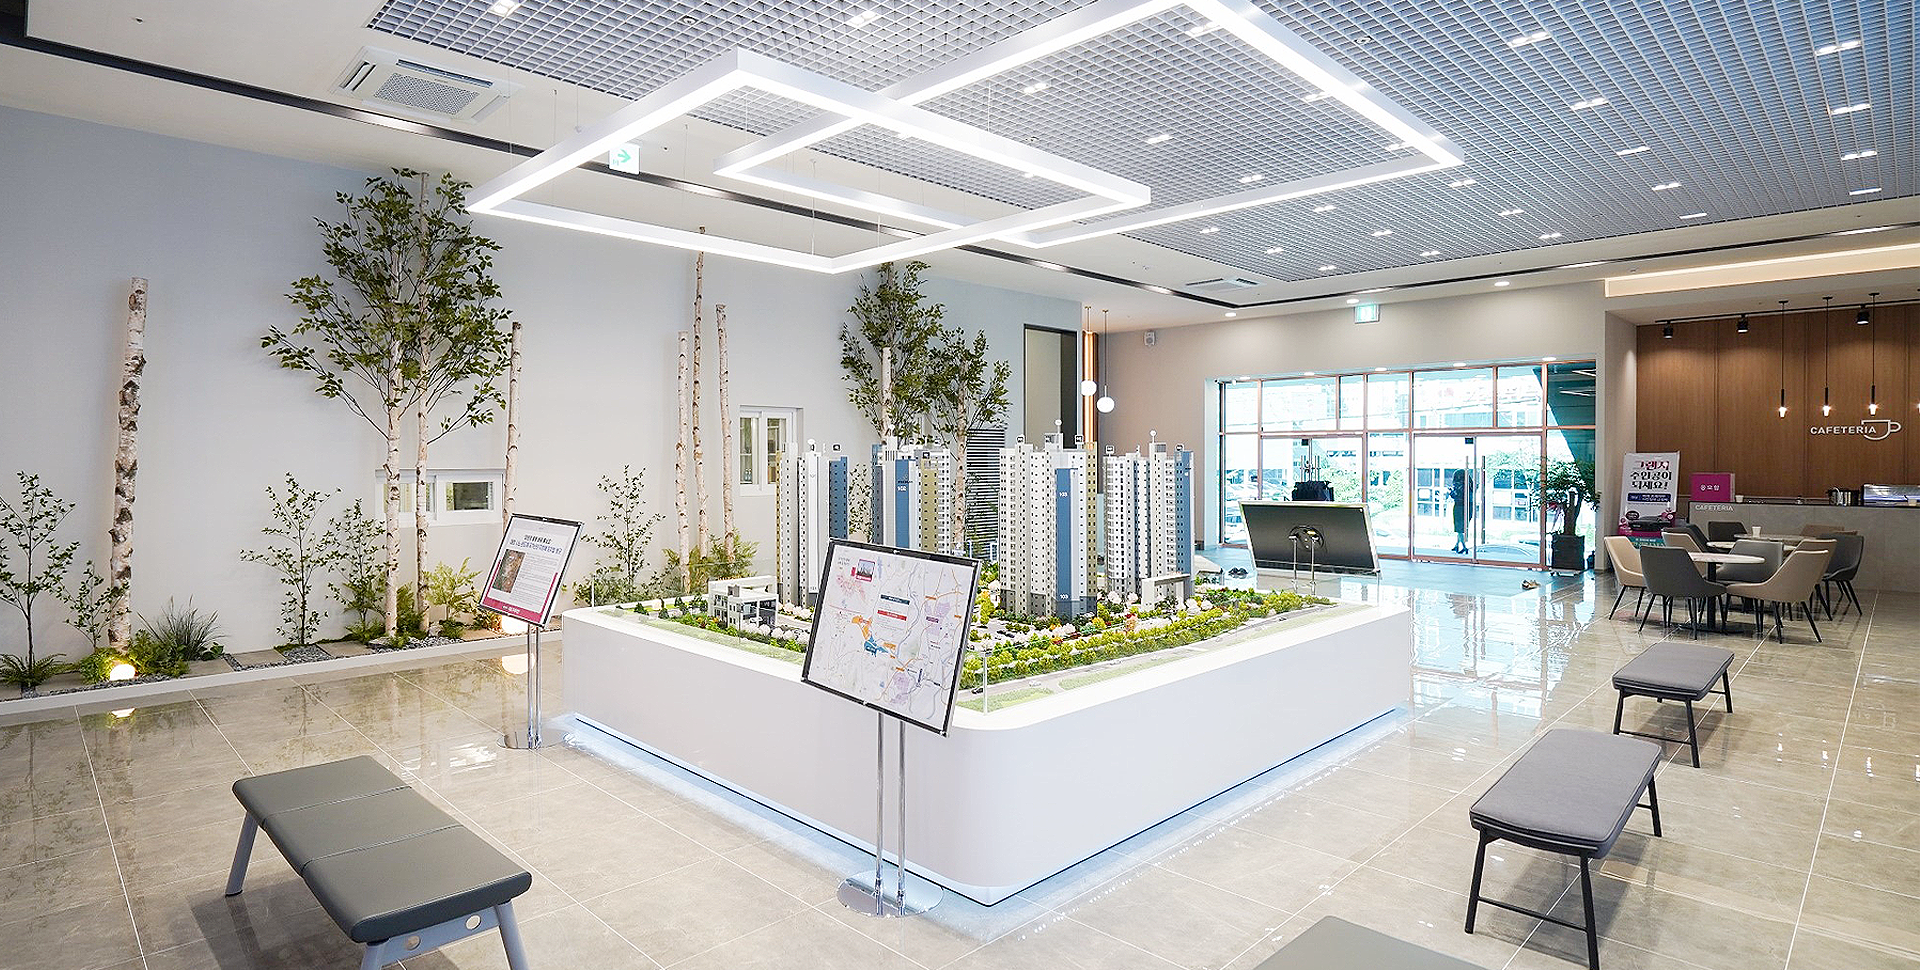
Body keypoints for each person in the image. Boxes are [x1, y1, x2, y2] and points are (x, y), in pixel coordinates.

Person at [1449, 468, 1473, 554]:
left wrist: (1451, 492)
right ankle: (1456, 545)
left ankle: (1464, 547)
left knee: (1459, 528)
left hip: (1459, 507)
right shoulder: (1470, 484)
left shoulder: (1459, 485)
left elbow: (1456, 496)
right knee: (1462, 528)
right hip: (1469, 506)